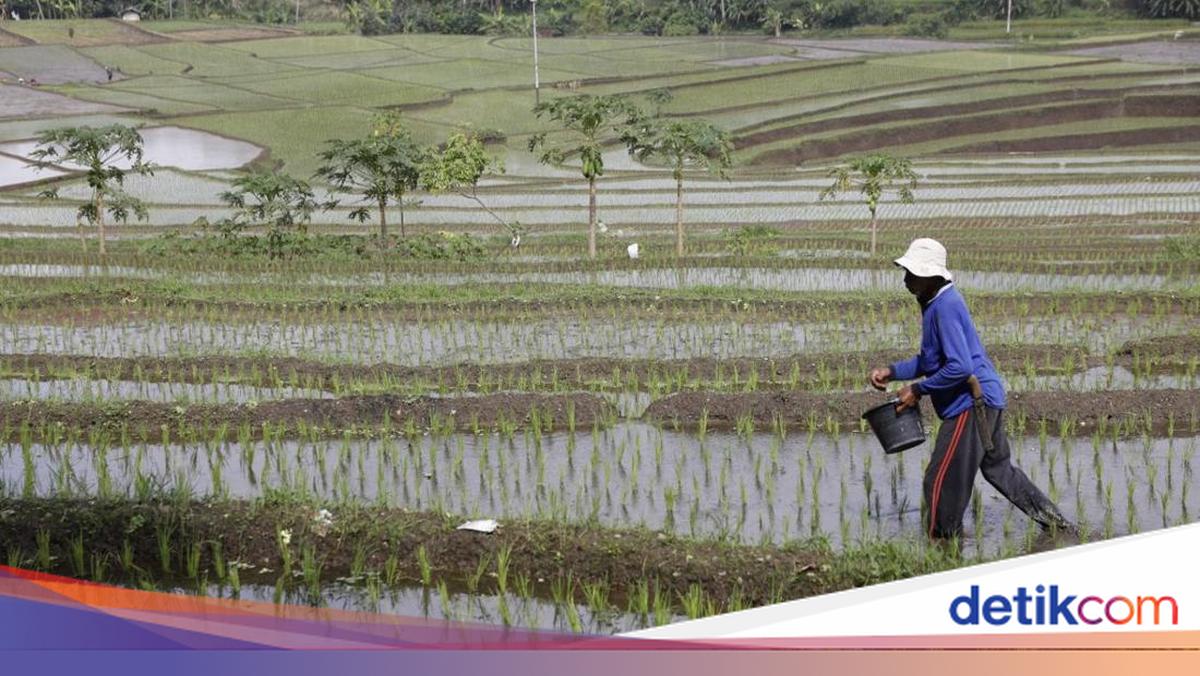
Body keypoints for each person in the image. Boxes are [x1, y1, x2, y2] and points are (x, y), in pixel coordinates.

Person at [869, 238, 1073, 541]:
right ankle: (1058, 526)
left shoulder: (945, 306)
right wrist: (894, 371)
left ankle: (943, 547)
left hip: (972, 403)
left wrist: (918, 389)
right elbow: (931, 360)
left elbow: (961, 368)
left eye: (911, 273)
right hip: (986, 398)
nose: (906, 280)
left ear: (930, 274)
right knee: (999, 470)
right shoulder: (935, 303)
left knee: (938, 481)